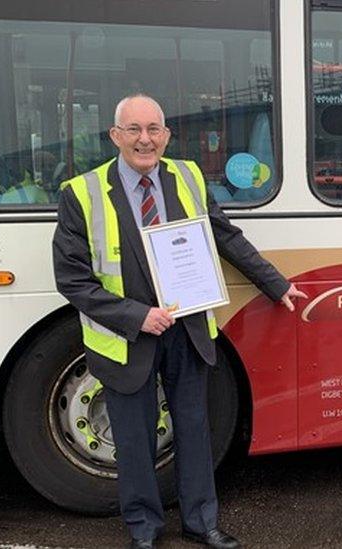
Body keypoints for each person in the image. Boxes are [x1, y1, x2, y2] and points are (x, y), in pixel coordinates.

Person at [53, 94, 307, 549]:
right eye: (134, 130)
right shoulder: (81, 193)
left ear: (166, 135)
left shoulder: (187, 176)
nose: (145, 140)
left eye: (154, 129)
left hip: (187, 330)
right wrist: (137, 316)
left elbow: (224, 234)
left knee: (194, 431)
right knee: (133, 442)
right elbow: (73, 280)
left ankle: (200, 522)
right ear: (115, 136)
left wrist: (275, 283)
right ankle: (144, 530)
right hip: (126, 337)